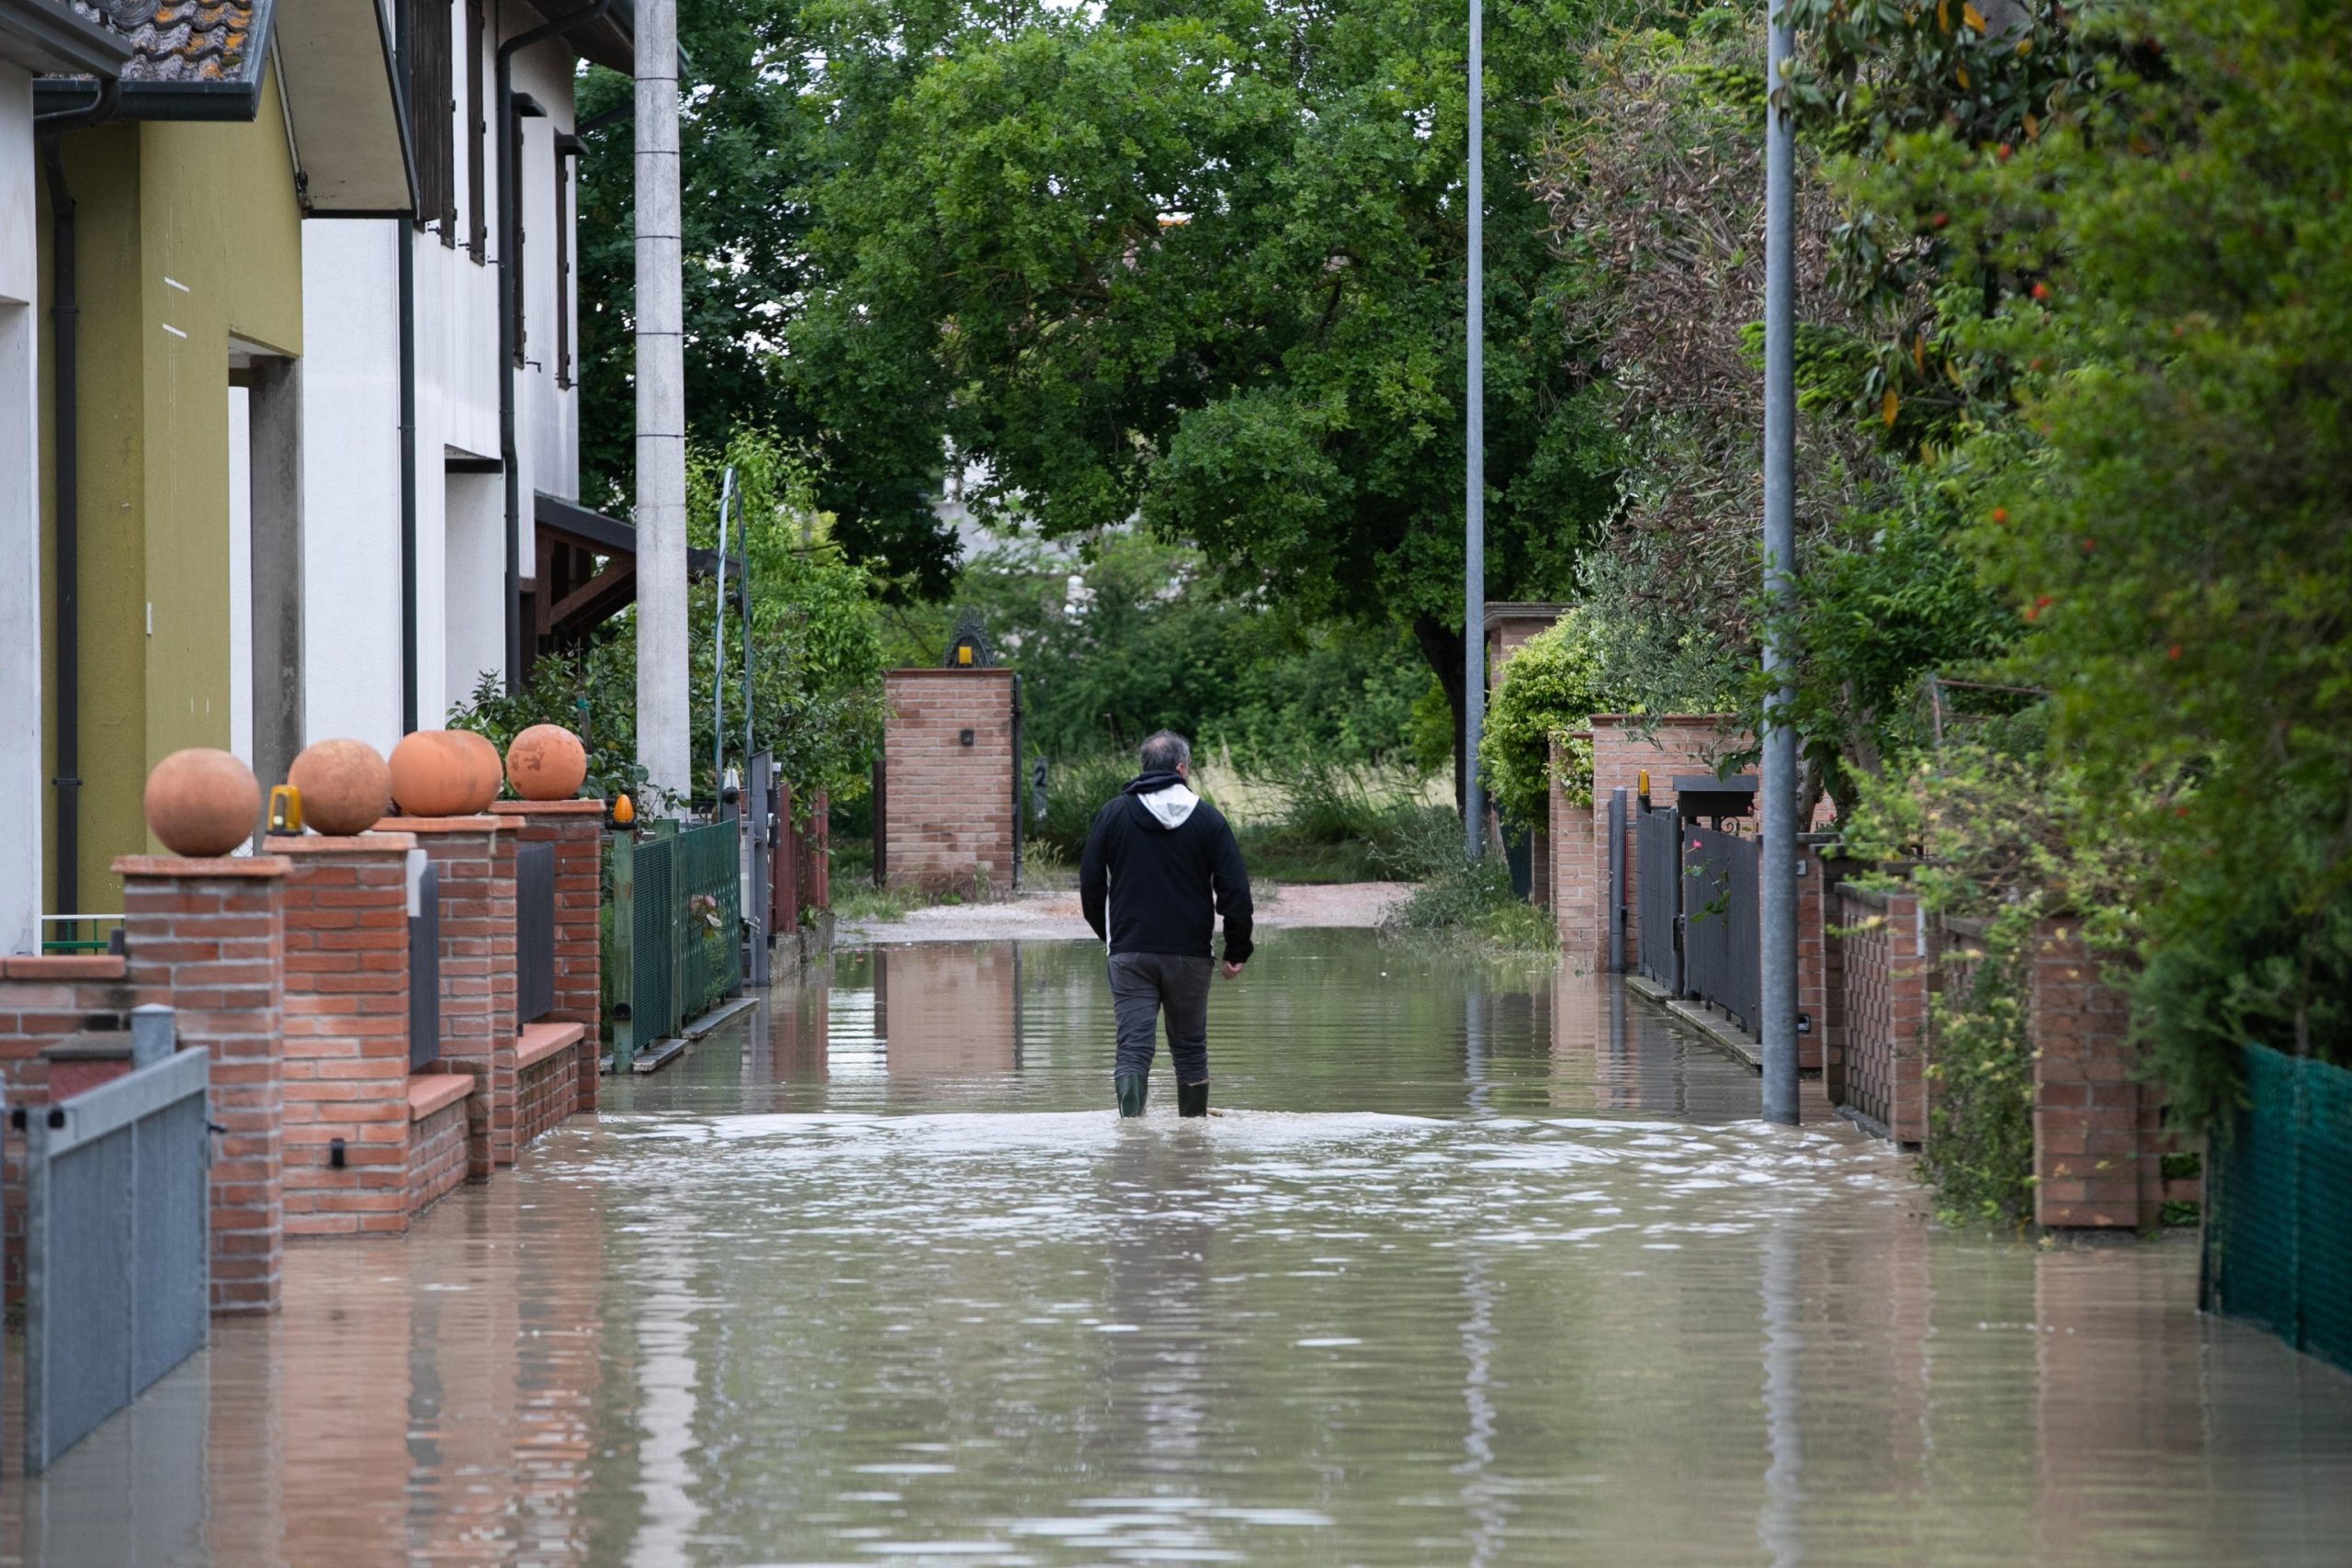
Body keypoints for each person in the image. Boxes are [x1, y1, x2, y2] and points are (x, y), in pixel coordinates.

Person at [1079, 730, 1254, 1118]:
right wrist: (1237, 948)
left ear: (1144, 769)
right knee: (1190, 1049)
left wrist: (1112, 938)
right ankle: (1192, 1141)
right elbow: (1236, 891)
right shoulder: (1209, 819)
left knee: (1133, 1048)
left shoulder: (1113, 814)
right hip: (1190, 954)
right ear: (1181, 769)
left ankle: (1130, 1138)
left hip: (1130, 952)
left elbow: (1090, 884)